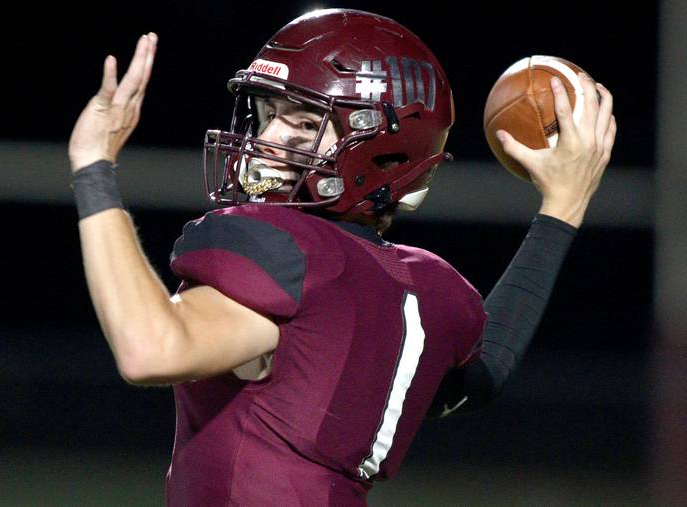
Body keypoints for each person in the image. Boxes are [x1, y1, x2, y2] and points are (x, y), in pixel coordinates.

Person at [67, 9, 615, 506]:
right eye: (268, 113)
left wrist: (93, 168)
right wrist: (563, 207)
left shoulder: (286, 251)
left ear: (379, 148)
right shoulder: (431, 290)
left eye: (305, 124)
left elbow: (150, 350)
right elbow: (480, 377)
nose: (269, 137)